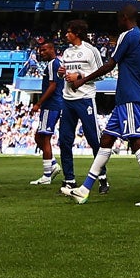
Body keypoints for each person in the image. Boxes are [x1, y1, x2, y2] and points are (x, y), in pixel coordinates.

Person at [67, 7, 140, 205]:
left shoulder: (127, 36)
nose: (117, 22)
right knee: (106, 140)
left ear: (124, 18)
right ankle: (85, 189)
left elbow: (110, 65)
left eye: (118, 18)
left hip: (128, 96)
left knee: (136, 142)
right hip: (127, 98)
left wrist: (83, 80)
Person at [56, 19, 105, 189]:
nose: (66, 35)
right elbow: (64, 72)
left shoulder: (91, 50)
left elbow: (101, 75)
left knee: (93, 139)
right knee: (64, 140)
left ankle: (103, 177)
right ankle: (69, 179)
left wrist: (80, 75)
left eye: (69, 31)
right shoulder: (67, 52)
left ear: (77, 33)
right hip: (68, 99)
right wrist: (62, 72)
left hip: (85, 99)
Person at [29, 36, 66, 186]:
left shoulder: (52, 64)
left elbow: (52, 86)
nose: (41, 52)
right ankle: (53, 164)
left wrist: (38, 103)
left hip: (51, 105)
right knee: (39, 136)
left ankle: (46, 175)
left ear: (52, 49)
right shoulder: (57, 64)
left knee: (44, 137)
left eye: (44, 50)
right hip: (55, 105)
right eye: (40, 50)